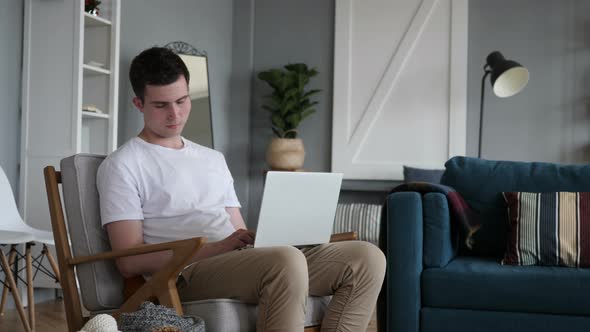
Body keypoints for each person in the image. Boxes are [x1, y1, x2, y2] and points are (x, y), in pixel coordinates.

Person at [96, 46, 386, 332]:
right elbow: (129, 260)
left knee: (366, 258)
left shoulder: (212, 159)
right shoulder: (123, 164)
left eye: (182, 101)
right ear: (139, 104)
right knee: (284, 261)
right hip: (186, 273)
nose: (175, 114)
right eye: (161, 105)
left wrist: (271, 237)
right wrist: (216, 248)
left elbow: (238, 231)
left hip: (236, 262)